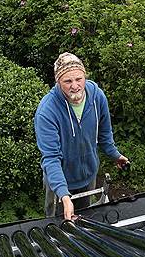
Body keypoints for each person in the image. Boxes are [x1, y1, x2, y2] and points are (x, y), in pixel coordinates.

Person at [35, 52, 129, 220]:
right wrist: (64, 195)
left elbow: (104, 133)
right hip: (60, 183)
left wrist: (115, 154)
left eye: (79, 79)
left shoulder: (97, 96)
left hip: (88, 176)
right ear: (58, 82)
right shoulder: (47, 112)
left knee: (84, 218)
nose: (75, 86)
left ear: (85, 76)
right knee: (58, 225)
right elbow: (51, 158)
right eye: (68, 81)